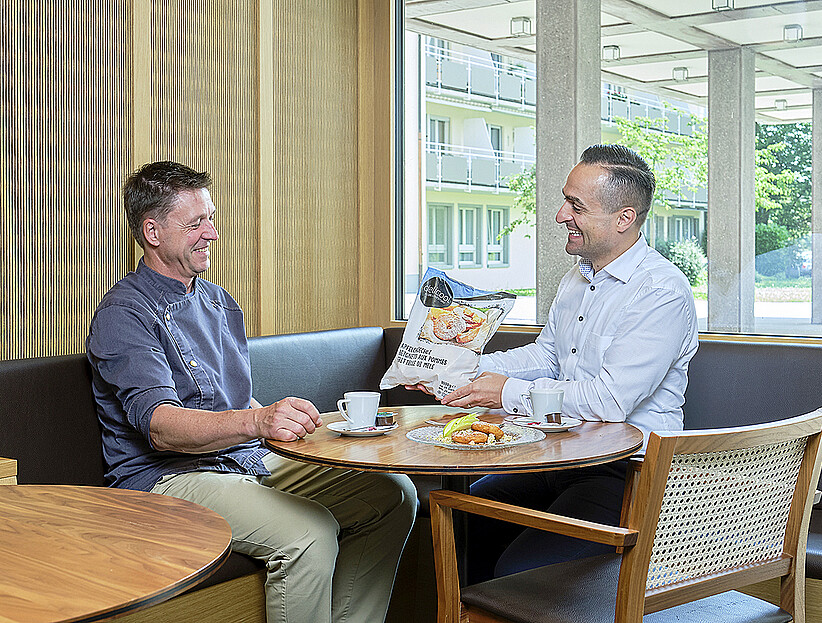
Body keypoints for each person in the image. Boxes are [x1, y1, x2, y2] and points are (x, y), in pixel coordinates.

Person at [87, 161, 417, 623]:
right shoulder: (124, 314)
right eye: (196, 222)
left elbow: (236, 403)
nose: (213, 233)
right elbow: (162, 428)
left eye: (212, 218)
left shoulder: (219, 302)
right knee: (310, 532)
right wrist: (259, 422)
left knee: (393, 494)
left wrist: (307, 425)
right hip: (166, 480)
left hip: (239, 461)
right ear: (153, 232)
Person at [431, 144, 698, 583]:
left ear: (623, 218)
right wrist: (467, 371)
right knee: (461, 524)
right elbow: (548, 356)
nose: (559, 215)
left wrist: (503, 392)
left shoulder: (660, 292)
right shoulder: (577, 276)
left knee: (520, 572)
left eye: (576, 205)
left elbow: (609, 400)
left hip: (626, 475)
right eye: (564, 200)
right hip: (560, 457)